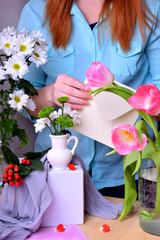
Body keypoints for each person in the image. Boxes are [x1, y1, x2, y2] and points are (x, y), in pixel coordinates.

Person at [17, 0, 160, 197]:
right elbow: (22, 100)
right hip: (56, 175)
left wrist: (145, 107)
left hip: (130, 175)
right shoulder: (36, 11)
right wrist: (51, 95)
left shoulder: (150, 8)